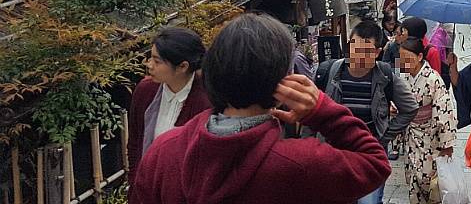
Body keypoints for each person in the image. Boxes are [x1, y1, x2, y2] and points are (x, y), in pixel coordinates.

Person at [130, 14, 390, 204]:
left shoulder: (162, 152)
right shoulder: (301, 163)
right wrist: (323, 110)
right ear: (283, 82)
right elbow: (375, 163)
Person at [310, 21, 418, 204]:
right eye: (354, 48)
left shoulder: (384, 76)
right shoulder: (329, 72)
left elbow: (410, 108)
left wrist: (383, 136)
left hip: (369, 155)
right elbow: (311, 113)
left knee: (368, 201)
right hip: (334, 153)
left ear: (377, 52)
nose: (357, 56)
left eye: (366, 51)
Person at [128, 27, 210, 181]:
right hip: (147, 185)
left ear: (182, 67)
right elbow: (135, 144)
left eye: (157, 61)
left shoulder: (205, 103)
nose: (149, 65)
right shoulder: (145, 90)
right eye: (150, 58)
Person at [397, 38, 457, 204]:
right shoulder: (403, 77)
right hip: (411, 135)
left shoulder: (433, 79)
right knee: (413, 179)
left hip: (430, 137)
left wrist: (447, 145)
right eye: (401, 59)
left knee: (429, 181)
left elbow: (445, 111)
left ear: (420, 56)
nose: (404, 63)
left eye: (408, 59)